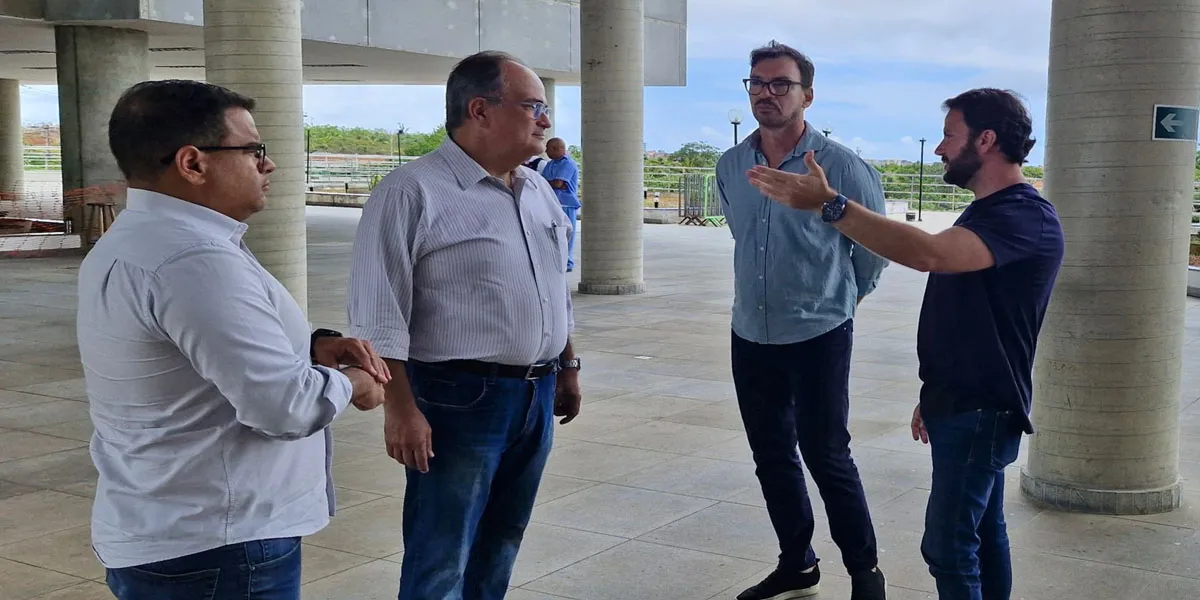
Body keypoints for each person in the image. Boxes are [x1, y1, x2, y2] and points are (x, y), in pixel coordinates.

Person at [747, 88, 1064, 600]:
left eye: (948, 136)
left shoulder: (1024, 215)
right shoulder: (989, 212)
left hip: (983, 407)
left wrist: (830, 204)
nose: (939, 149)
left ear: (985, 140)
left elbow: (929, 254)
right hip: (960, 400)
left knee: (948, 546)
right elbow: (969, 316)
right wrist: (934, 393)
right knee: (982, 534)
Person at [78, 79, 390, 600]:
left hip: (171, 530)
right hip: (220, 546)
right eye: (253, 150)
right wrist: (352, 382)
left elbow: (189, 353)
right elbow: (283, 408)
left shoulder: (138, 241)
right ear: (193, 163)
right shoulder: (193, 260)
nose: (268, 165)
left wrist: (309, 349)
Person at [346, 50, 582, 600]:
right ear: (480, 110)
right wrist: (400, 410)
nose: (545, 120)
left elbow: (552, 286)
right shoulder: (412, 192)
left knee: (501, 539)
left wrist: (566, 365)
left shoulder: (538, 188)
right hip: (458, 398)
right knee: (441, 550)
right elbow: (379, 315)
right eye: (533, 107)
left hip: (536, 391)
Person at [715, 39, 890, 600]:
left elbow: (874, 248)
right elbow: (743, 236)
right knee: (771, 455)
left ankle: (866, 573)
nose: (766, 93)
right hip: (751, 332)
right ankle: (798, 562)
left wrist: (838, 299)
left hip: (819, 332)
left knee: (827, 454)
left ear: (806, 95)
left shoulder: (841, 167)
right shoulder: (731, 164)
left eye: (780, 84)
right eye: (757, 83)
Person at [540, 137, 581, 271]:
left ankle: (566, 263)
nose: (546, 151)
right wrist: (551, 183)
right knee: (552, 233)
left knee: (566, 233)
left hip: (566, 204)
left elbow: (558, 183)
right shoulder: (550, 164)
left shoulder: (568, 163)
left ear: (557, 148)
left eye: (548, 148)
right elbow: (543, 181)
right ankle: (556, 260)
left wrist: (550, 182)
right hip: (552, 201)